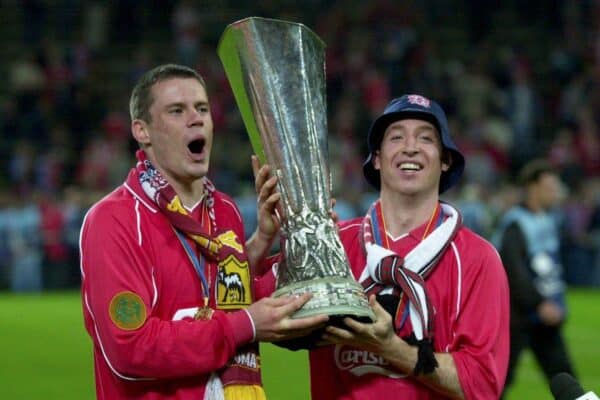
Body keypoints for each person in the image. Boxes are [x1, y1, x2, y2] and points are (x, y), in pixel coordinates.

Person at [79, 64, 327, 400]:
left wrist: (284, 240)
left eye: (202, 109)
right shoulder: (114, 221)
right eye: (177, 111)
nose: (195, 119)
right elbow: (129, 349)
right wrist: (246, 325)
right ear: (143, 131)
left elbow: (219, 294)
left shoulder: (223, 210)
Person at [308, 94, 510, 399]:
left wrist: (391, 348)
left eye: (426, 138)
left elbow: (481, 384)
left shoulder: (478, 259)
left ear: (446, 160)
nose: (410, 147)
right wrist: (262, 243)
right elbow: (248, 304)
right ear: (376, 158)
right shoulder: (331, 244)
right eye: (396, 137)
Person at [493, 159, 576, 396]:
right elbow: (513, 269)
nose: (555, 193)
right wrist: (540, 303)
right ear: (533, 187)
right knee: (497, 381)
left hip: (545, 316)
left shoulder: (548, 219)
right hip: (519, 317)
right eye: (549, 187)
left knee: (565, 376)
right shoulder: (515, 224)